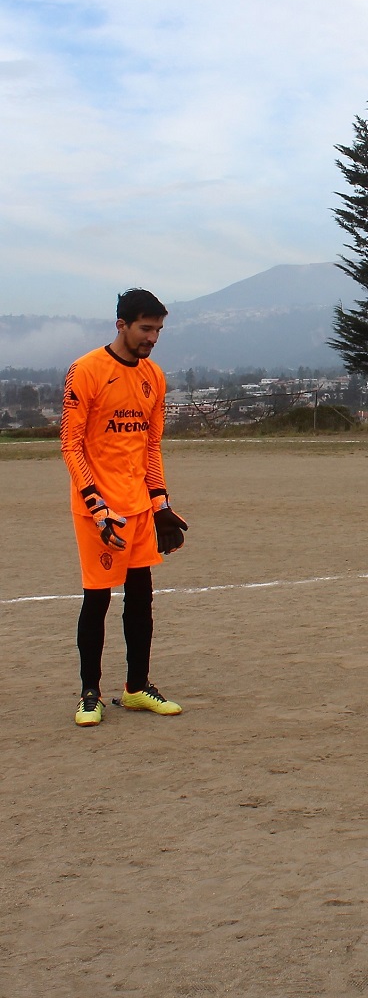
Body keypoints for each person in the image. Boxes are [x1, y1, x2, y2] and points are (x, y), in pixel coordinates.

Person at [62, 288, 189, 727]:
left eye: (157, 330)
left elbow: (150, 446)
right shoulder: (87, 370)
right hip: (98, 512)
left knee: (140, 599)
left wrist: (161, 504)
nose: (152, 337)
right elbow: (71, 444)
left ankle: (136, 688)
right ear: (121, 325)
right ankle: (89, 693)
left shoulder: (154, 376)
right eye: (145, 328)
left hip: (137, 509)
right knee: (96, 600)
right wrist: (96, 507)